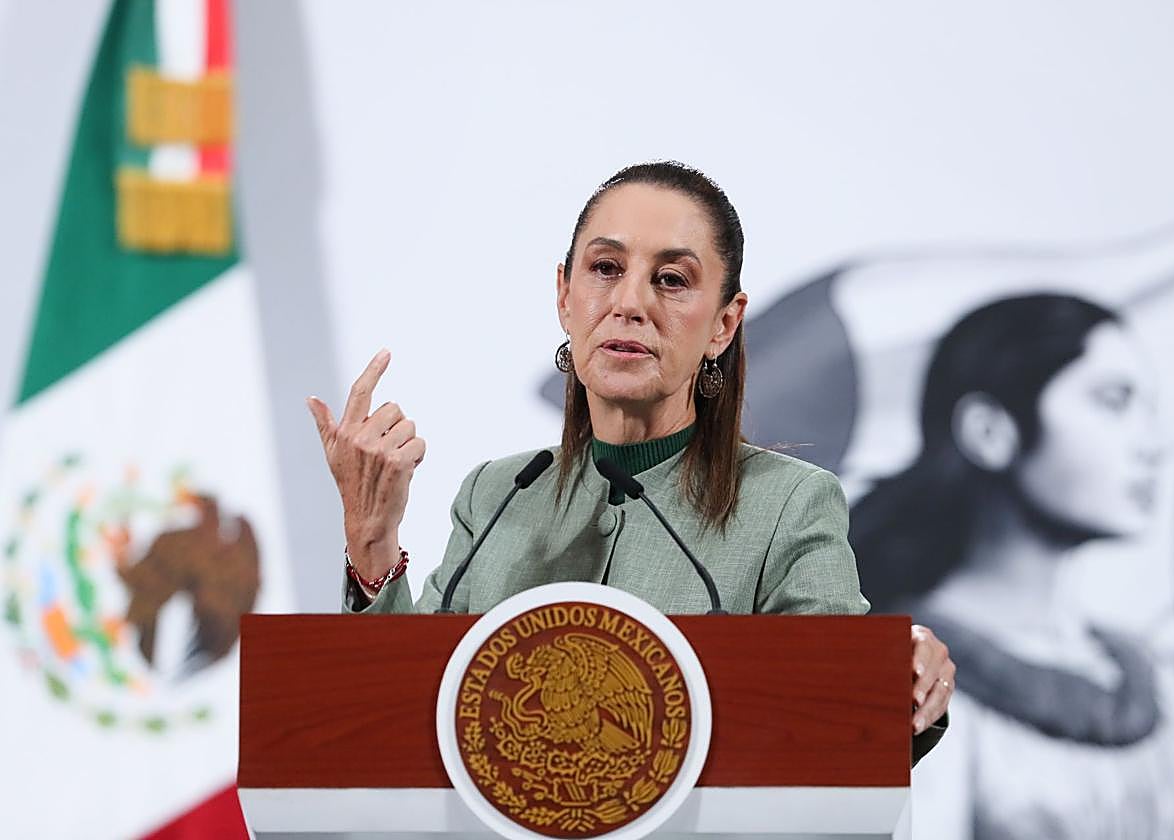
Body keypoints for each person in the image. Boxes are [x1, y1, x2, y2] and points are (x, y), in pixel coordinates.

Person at [306, 161, 954, 755]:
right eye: (605, 269)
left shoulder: (787, 505)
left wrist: (900, 682)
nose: (630, 303)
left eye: (670, 280)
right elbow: (396, 720)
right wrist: (371, 538)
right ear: (565, 296)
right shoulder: (498, 494)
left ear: (724, 324)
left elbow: (842, 727)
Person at [852, 294, 1174, 837]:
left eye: (1149, 409)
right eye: (1113, 401)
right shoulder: (904, 680)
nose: (1152, 444)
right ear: (990, 431)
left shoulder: (1163, 687)